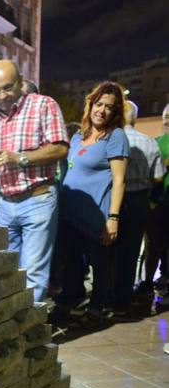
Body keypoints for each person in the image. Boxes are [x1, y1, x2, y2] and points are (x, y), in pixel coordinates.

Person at [0, 60, 69, 304]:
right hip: (5, 205)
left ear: (21, 81)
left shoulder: (43, 105)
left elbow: (60, 148)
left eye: (8, 87)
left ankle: (30, 331)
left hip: (38, 199)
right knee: (8, 270)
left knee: (34, 272)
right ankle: (14, 326)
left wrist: (20, 158)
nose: (3, 96)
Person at [55, 81, 129, 322]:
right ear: (90, 104)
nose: (102, 111)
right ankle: (67, 302)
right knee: (71, 262)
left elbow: (119, 181)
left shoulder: (116, 136)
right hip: (70, 213)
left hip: (96, 215)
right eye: (99, 104)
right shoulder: (78, 136)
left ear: (115, 111)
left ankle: (96, 308)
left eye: (109, 107)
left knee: (99, 265)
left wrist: (113, 218)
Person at [109, 100, 163, 316]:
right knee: (131, 252)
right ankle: (123, 300)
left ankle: (106, 295)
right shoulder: (150, 142)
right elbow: (158, 176)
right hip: (139, 201)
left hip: (115, 199)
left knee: (110, 250)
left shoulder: (112, 140)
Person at [138, 103, 169, 295]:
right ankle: (146, 281)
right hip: (158, 202)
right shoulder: (156, 142)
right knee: (153, 246)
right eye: (166, 115)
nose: (167, 119)